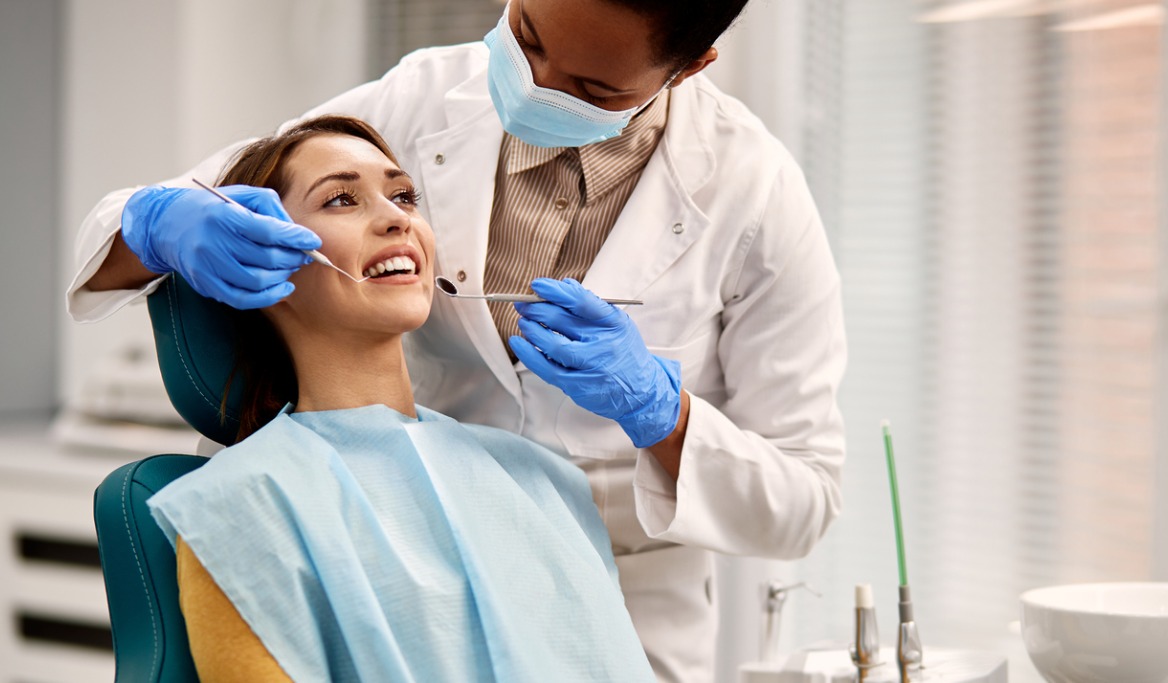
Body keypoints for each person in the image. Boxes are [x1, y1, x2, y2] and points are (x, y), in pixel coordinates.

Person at [69, 1, 848, 679]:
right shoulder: (253, 509)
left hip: (610, 578)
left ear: (690, 67)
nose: (537, 84)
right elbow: (184, 203)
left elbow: (804, 499)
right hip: (388, 541)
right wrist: (159, 222)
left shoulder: (753, 192)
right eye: (529, 37)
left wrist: (662, 414)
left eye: (591, 88)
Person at [147, 114, 656, 682]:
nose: (397, 218)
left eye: (405, 196)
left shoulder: (542, 481)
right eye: (342, 200)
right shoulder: (239, 507)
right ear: (259, 258)